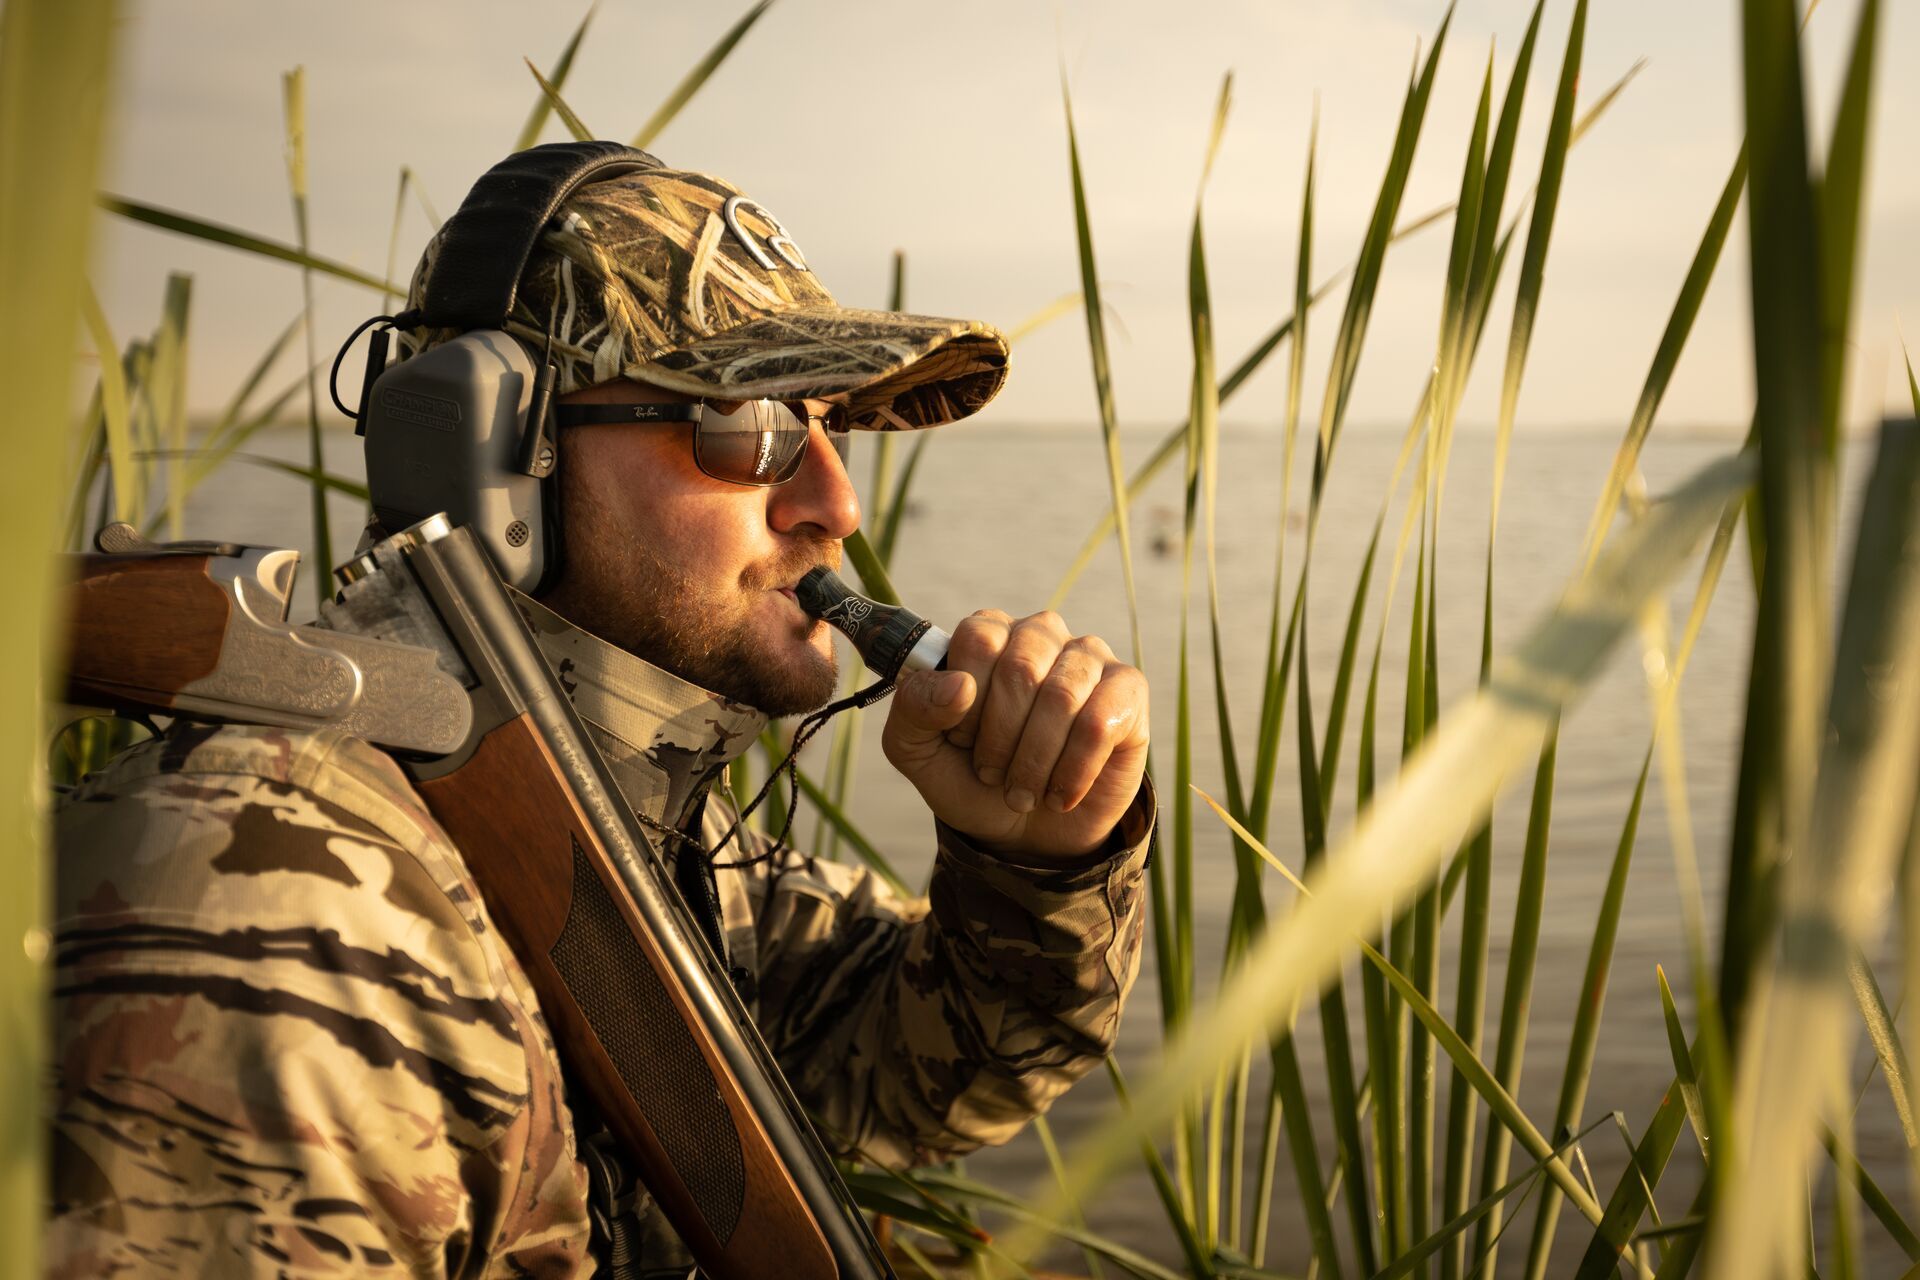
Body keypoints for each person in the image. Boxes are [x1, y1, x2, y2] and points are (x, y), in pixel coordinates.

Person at [47, 154, 1155, 1277]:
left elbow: (920, 1070)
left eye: (832, 426)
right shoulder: (281, 918)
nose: (837, 500)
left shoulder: (634, 826)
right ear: (486, 450)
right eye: (751, 423)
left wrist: (1037, 858)